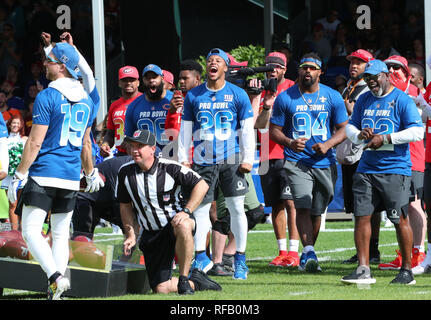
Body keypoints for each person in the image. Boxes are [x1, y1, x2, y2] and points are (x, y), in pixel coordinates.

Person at [6, 40, 104, 300]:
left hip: (45, 171)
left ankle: (55, 277)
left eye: (49, 62)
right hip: (71, 176)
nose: (45, 65)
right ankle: (56, 292)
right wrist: (90, 172)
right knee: (60, 234)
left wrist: (19, 174)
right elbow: (86, 144)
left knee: (30, 230)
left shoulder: (48, 95)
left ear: (61, 67)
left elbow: (35, 141)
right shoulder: (88, 99)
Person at [341, 59, 424, 285]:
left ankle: (407, 270)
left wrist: (386, 138)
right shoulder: (364, 99)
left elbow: (418, 132)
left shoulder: (402, 99)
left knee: (399, 219)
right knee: (362, 217)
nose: (370, 82)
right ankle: (363, 269)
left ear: (386, 75)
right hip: (367, 167)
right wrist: (359, 134)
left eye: (374, 77)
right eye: (367, 78)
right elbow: (350, 125)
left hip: (395, 169)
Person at [178, 48, 255, 280]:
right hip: (203, 160)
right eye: (209, 60)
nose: (212, 63)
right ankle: (201, 257)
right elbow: (185, 130)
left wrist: (248, 158)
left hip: (231, 158)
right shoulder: (194, 95)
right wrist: (183, 157)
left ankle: (240, 259)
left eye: (217, 61)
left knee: (236, 208)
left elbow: (247, 128)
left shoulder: (238, 94)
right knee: (201, 210)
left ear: (225, 68)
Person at [116, 129, 221, 295]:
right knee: (161, 289)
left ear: (152, 148)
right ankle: (197, 281)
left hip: (174, 224)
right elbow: (125, 205)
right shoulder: (125, 172)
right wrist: (131, 234)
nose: (134, 150)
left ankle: (184, 279)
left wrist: (187, 210)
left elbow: (202, 185)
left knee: (184, 224)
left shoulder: (169, 167)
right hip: (152, 232)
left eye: (140, 146)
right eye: (131, 146)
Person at [269, 52, 348, 272]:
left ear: (320, 72)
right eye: (304, 67)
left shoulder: (332, 96)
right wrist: (289, 142)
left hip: (324, 161)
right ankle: (308, 252)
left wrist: (328, 144)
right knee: (302, 204)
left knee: (317, 210)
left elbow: (344, 128)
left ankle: (308, 250)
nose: (307, 71)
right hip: (296, 161)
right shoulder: (286, 97)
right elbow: (274, 130)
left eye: (312, 68)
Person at [376, 55, 426, 271]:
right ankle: (409, 253)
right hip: (395, 158)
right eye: (389, 68)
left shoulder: (413, 94)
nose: (393, 71)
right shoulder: (388, 94)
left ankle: (418, 252)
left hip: (412, 157)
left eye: (398, 68)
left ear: (407, 74)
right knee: (402, 206)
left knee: (413, 205)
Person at [252, 51, 299, 267]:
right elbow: (256, 124)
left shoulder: (294, 87)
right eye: (270, 65)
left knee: (292, 202)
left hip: (290, 153)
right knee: (276, 204)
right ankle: (281, 252)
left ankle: (295, 252)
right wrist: (261, 101)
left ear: (284, 69)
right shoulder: (258, 89)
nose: (273, 69)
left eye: (278, 66)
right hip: (265, 154)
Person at [336, 49, 381, 265]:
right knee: (356, 206)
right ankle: (364, 250)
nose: (354, 66)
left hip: (365, 152)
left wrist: (350, 110)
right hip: (350, 152)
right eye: (352, 62)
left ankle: (372, 250)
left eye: (359, 63)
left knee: (368, 205)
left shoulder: (369, 89)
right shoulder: (349, 87)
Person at [72, 155, 131, 239]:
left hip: (106, 197)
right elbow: (120, 204)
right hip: (87, 197)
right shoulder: (125, 169)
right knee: (82, 238)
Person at [124, 64, 173, 157]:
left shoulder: (175, 100)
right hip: (146, 160)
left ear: (162, 78)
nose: (151, 80)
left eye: (154, 77)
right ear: (143, 80)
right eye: (147, 78)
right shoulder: (133, 106)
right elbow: (130, 141)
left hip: (173, 158)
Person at [100, 66, 142, 158]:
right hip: (121, 154)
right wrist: (105, 144)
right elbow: (110, 134)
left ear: (138, 82)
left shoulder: (145, 101)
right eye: (125, 80)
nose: (128, 83)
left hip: (142, 153)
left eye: (132, 80)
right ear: (119, 83)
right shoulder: (114, 105)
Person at [2, 115, 27, 230]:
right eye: (13, 123)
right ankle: (14, 232)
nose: (15, 125)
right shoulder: (4, 140)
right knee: (12, 203)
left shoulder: (25, 139)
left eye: (18, 123)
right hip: (9, 176)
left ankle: (24, 230)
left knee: (22, 204)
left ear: (21, 125)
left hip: (23, 175)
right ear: (9, 124)